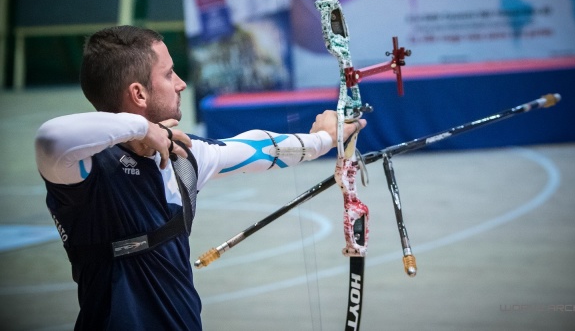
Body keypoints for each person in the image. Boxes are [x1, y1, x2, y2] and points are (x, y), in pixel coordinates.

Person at [34, 25, 366, 330]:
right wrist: (140, 128)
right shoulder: (84, 170)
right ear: (139, 94)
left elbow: (258, 148)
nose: (180, 83)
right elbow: (51, 137)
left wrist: (323, 139)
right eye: (168, 74)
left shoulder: (183, 157)